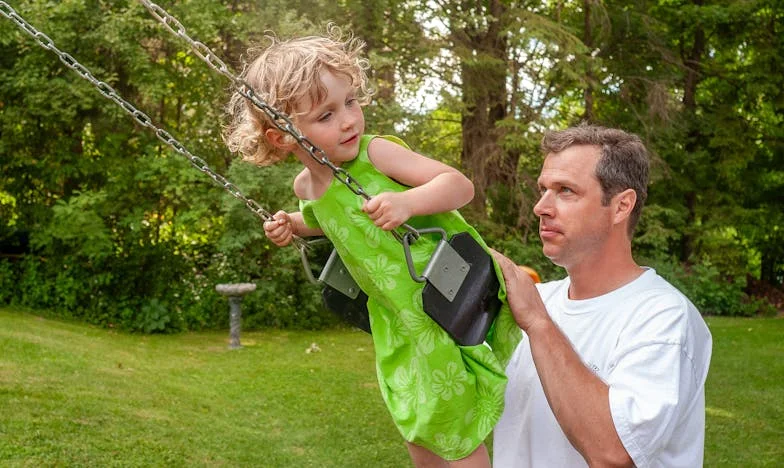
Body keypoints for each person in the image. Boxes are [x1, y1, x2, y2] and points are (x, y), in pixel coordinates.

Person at [223, 25, 521, 467]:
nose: (348, 120)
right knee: (415, 418)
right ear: (282, 136)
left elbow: (459, 186)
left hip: (446, 291)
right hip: (397, 317)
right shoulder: (306, 188)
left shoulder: (376, 154)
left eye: (350, 102)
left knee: (454, 424)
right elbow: (330, 221)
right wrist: (292, 225)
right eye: (326, 115)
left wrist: (407, 202)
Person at [490, 123, 713, 467]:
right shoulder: (536, 299)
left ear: (622, 206)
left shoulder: (663, 318)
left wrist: (537, 322)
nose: (541, 207)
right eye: (543, 189)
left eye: (565, 191)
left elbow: (614, 453)